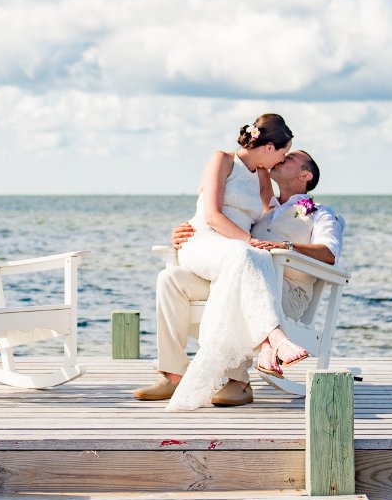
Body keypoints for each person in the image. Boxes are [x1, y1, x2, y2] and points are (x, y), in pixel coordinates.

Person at [132, 149, 342, 407]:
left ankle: (238, 381)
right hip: (237, 279)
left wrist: (288, 247)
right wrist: (186, 233)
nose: (281, 158)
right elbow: (226, 233)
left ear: (305, 175)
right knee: (171, 278)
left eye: (290, 158)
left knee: (240, 280)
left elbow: (330, 253)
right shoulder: (262, 210)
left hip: (286, 291)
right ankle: (173, 375)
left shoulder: (320, 213)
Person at [144, 114, 306, 411]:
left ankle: (233, 380)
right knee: (247, 257)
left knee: (170, 280)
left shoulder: (262, 178)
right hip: (203, 242)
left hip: (231, 256)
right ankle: (271, 341)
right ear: (269, 147)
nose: (282, 160)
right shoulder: (223, 160)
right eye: (283, 153)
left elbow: (274, 218)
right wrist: (248, 242)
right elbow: (212, 215)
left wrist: (307, 216)